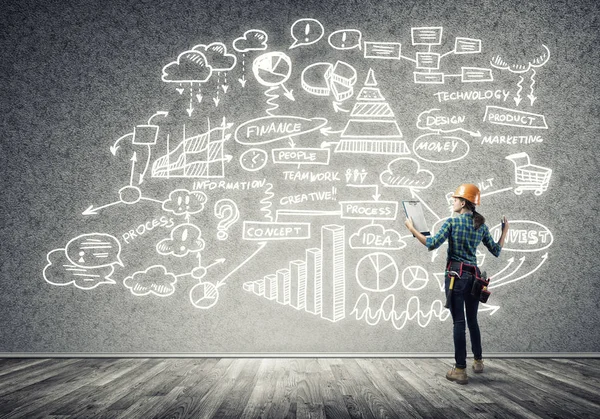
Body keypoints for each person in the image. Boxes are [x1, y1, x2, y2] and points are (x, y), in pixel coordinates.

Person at [404, 183, 508, 385]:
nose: (452, 203)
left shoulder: (452, 222)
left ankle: (460, 369)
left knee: (459, 322)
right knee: (473, 321)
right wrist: (505, 231)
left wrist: (412, 229)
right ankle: (478, 361)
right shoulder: (481, 225)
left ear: (463, 202)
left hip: (456, 277)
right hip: (475, 278)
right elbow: (496, 250)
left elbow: (432, 243)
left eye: (454, 200)